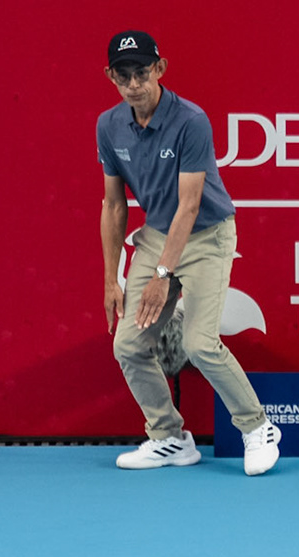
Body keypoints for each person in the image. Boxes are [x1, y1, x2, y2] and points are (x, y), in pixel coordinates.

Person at [97, 30, 280, 475]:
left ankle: (258, 428)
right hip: (157, 234)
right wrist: (109, 279)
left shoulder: (190, 121)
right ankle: (169, 438)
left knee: (200, 343)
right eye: (124, 76)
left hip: (206, 236)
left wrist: (163, 274)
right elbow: (114, 204)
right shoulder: (109, 126)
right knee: (129, 345)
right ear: (111, 78)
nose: (134, 83)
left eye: (142, 72)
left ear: (160, 69)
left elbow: (191, 203)